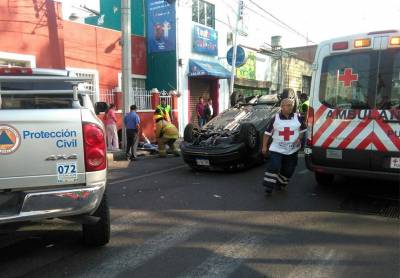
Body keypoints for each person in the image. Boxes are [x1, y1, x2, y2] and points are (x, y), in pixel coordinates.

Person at [261, 98, 307, 196]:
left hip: (292, 150)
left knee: (289, 169)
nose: (291, 107)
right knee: (275, 166)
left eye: (291, 105)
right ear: (282, 107)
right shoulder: (275, 118)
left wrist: (299, 138)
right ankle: (268, 186)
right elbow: (267, 133)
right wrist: (264, 146)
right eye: (288, 105)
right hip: (276, 148)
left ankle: (280, 183)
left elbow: (302, 130)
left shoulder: (297, 117)